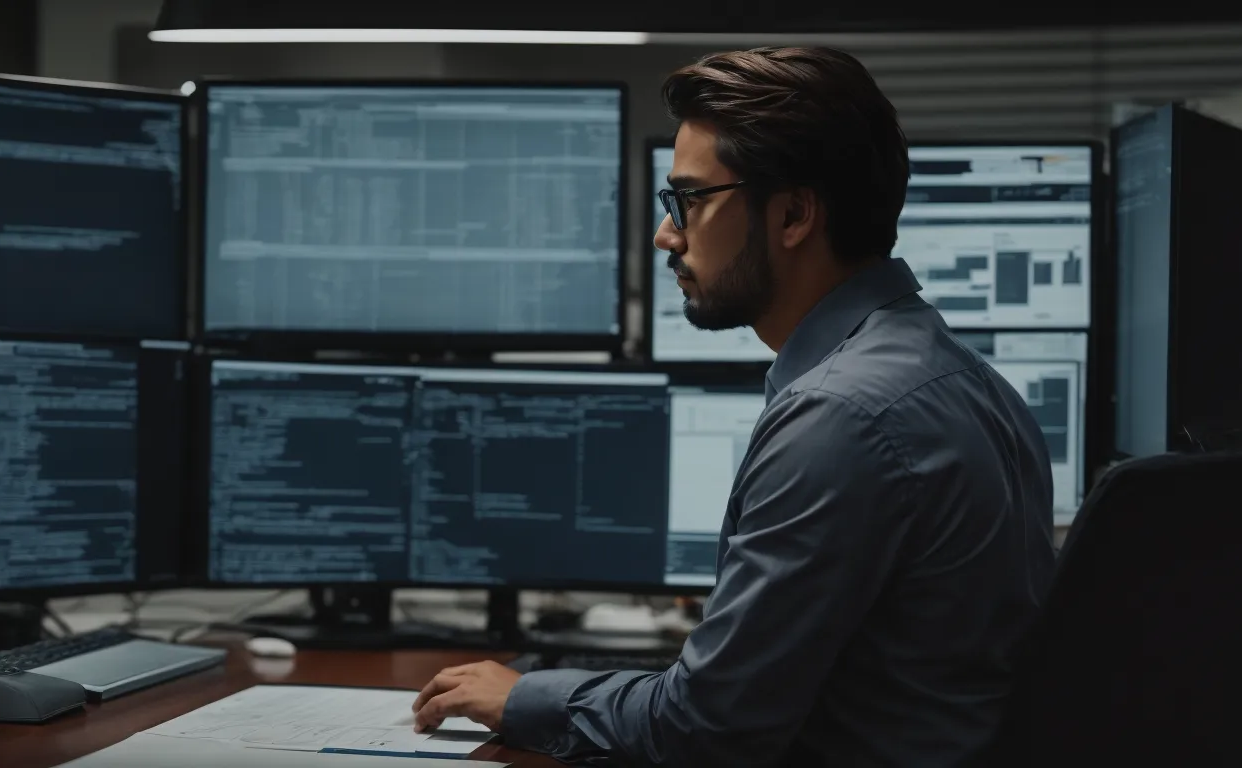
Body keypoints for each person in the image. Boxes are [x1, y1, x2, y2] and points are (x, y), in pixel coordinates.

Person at [410, 46, 1058, 767]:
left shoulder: (841, 417)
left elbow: (705, 729)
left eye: (689, 199)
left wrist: (523, 696)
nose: (667, 233)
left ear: (792, 215)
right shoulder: (964, 377)